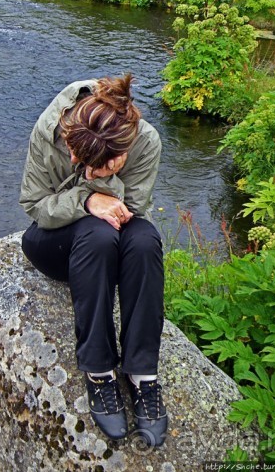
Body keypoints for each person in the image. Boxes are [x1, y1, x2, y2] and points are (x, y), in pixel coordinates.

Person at [19, 74, 168, 447]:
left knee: (146, 239)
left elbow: (130, 211)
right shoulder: (51, 125)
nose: (71, 159)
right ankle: (99, 369)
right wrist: (86, 200)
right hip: (52, 242)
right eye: (71, 149)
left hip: (112, 245)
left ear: (118, 156)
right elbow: (34, 205)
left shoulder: (145, 142)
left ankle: (141, 373)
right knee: (97, 234)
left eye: (83, 159)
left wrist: (108, 181)